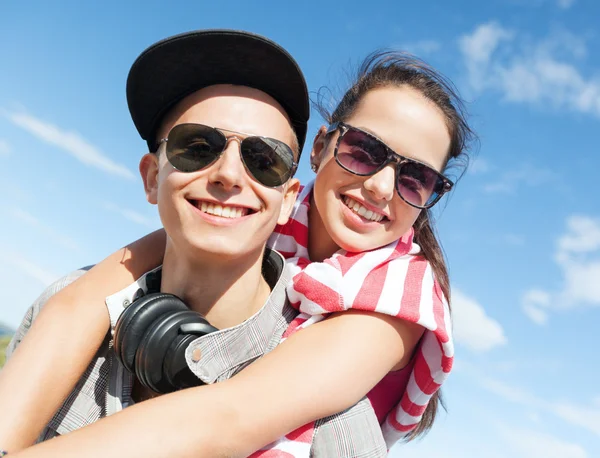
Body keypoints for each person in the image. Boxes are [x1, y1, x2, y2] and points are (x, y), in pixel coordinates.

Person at [2, 31, 476, 458]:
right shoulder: (268, 204)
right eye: (364, 151)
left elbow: (229, 417)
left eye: (416, 179)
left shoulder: (403, 295)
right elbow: (90, 295)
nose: (381, 186)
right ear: (319, 149)